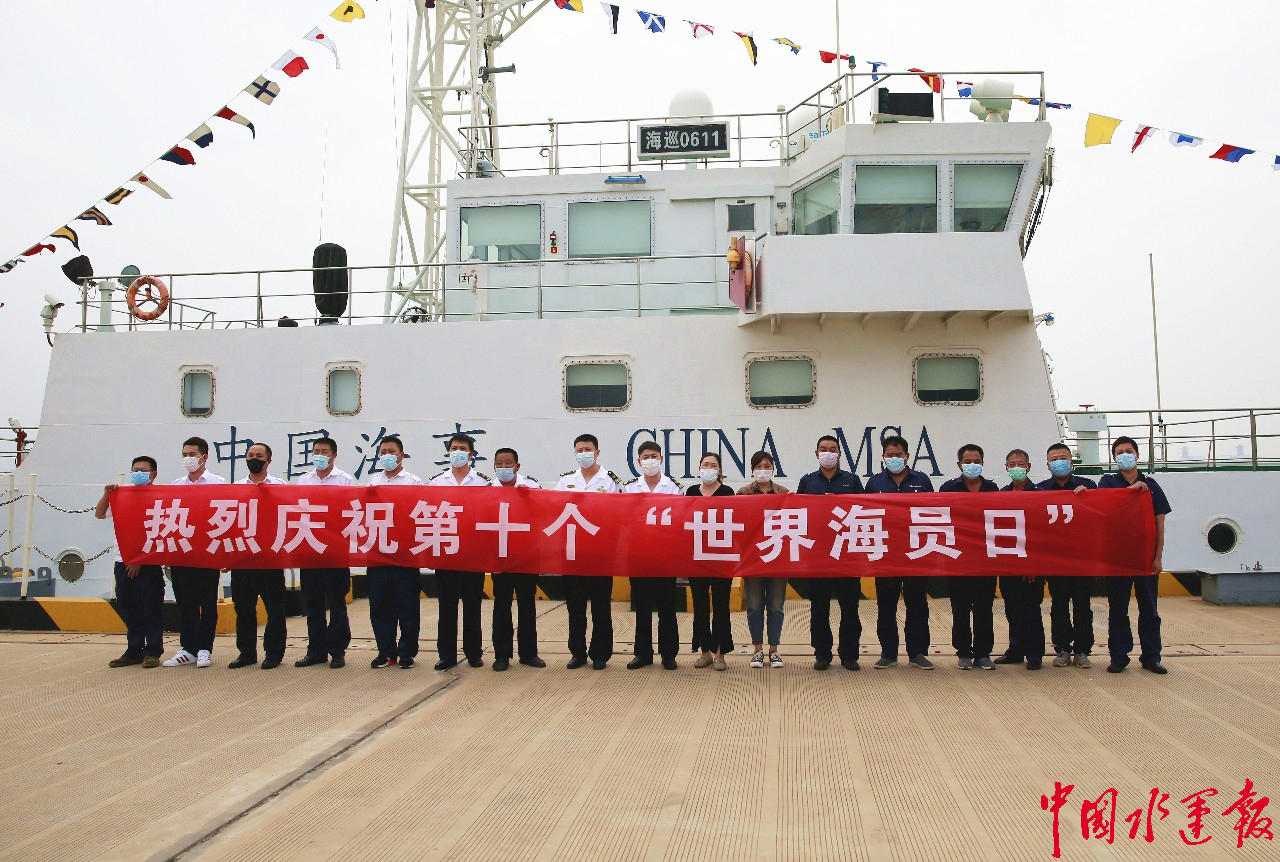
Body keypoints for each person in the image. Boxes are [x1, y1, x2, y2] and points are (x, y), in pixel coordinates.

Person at [1100, 436, 1171, 675]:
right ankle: (1119, 657)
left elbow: (1159, 523)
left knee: (1149, 609)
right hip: (1118, 558)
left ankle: (1152, 657)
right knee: (1118, 609)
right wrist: (1131, 491)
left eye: (1128, 451)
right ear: (1114, 458)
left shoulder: (1152, 485)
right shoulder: (1107, 483)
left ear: (1137, 455)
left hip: (1145, 557)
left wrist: (1157, 557)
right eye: (1119, 452)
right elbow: (1104, 506)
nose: (1125, 455)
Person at [795, 434, 865, 671]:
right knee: (819, 609)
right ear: (817, 454)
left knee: (850, 608)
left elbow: (864, 510)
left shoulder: (852, 481)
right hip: (818, 555)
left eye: (832, 449)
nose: (828, 453)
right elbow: (799, 514)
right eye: (823, 449)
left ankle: (850, 655)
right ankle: (822, 654)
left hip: (847, 554)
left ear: (839, 454)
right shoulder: (807, 481)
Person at [865, 435, 935, 670]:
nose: (894, 458)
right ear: (883, 457)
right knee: (886, 605)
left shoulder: (922, 480)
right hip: (885, 553)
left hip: (917, 552)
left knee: (917, 604)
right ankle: (888, 652)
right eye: (890, 455)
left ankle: (918, 652)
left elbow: (933, 512)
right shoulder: (874, 483)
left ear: (907, 456)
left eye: (898, 455)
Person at [554, 433, 619, 670]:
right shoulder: (566, 481)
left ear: (597, 452)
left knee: (601, 606)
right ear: (575, 453)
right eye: (579, 450)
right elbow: (552, 508)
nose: (584, 454)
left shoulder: (611, 481)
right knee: (575, 607)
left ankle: (600, 654)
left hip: (601, 553)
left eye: (588, 450)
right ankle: (578, 653)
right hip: (572, 553)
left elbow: (619, 514)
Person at [95, 456, 165, 669]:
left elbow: (157, 532)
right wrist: (107, 493)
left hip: (148, 562)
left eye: (143, 470)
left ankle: (152, 651)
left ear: (153, 474)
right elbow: (99, 514)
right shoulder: (122, 494)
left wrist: (138, 559)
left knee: (151, 608)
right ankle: (134, 650)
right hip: (122, 562)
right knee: (129, 607)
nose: (138, 473)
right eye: (135, 470)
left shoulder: (160, 497)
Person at [163, 437, 227, 669]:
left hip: (207, 553)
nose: (188, 459)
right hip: (182, 553)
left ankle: (204, 649)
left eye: (192, 454)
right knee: (185, 603)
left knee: (207, 603)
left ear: (204, 457)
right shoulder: (176, 485)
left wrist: (223, 553)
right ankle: (188, 648)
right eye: (185, 455)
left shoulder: (218, 483)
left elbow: (226, 519)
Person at [428, 433, 490, 671]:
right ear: (448, 452)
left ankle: (473, 653)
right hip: (446, 552)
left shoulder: (483, 482)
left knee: (472, 606)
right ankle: (446, 655)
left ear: (471, 454)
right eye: (454, 448)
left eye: (462, 448)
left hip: (472, 553)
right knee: (447, 607)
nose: (457, 452)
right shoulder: (437, 482)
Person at [294, 436, 354, 669]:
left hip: (335, 552)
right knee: (313, 605)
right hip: (309, 550)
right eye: (316, 451)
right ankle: (316, 651)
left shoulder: (344, 480)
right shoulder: (303, 480)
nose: (320, 455)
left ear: (334, 455)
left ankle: (337, 650)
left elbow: (351, 513)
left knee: (337, 604)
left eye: (324, 452)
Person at [622, 441, 683, 670]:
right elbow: (622, 520)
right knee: (642, 606)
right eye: (646, 457)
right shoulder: (629, 488)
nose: (650, 460)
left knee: (667, 606)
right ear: (639, 461)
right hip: (638, 555)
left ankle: (669, 654)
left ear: (661, 459)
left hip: (665, 556)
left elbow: (680, 520)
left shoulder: (674, 487)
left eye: (654, 456)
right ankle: (643, 653)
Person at [939, 444, 1000, 670]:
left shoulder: (993, 489)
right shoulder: (948, 488)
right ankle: (963, 652)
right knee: (960, 609)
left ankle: (983, 653)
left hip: (985, 559)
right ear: (959, 465)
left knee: (984, 608)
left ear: (982, 463)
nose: (972, 465)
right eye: (967, 462)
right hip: (958, 559)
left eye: (976, 461)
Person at [1036, 442, 1097, 668]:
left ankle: (1082, 650)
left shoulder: (1088, 486)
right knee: (1059, 605)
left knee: (1083, 606)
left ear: (1071, 462)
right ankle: (1062, 648)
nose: (1059, 462)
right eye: (1054, 459)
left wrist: (1088, 498)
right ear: (1048, 465)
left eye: (1063, 458)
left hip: (1082, 558)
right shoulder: (1040, 490)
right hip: (1055, 559)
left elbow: (1099, 515)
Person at [228, 442, 288, 670]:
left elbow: (287, 518)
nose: (254, 458)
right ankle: (246, 653)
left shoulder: (279, 486)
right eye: (250, 455)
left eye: (259, 456)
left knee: (275, 610)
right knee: (243, 609)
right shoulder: (236, 487)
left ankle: (273, 654)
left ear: (268, 461)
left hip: (271, 558)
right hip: (243, 558)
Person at [367, 436, 423, 670]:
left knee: (407, 606)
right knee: (380, 605)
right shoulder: (373, 482)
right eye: (383, 452)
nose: (387, 455)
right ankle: (386, 652)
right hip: (378, 553)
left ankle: (407, 652)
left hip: (404, 554)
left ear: (401, 454)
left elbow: (419, 515)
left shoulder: (413, 482)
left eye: (391, 451)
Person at [489, 447, 545, 671]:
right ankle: (501, 655)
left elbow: (543, 515)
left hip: (526, 556)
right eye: (499, 463)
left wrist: (529, 498)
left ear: (517, 466)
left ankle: (529, 653)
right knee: (501, 606)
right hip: (500, 557)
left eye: (508, 463)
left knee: (527, 605)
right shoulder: (487, 490)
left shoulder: (531, 487)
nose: (503, 467)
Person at [995, 448, 1045, 671]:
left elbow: (1041, 532)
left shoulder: (1039, 494)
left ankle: (1034, 654)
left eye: (1021, 464)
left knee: (1031, 610)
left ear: (1029, 467)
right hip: (1009, 562)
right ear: (1006, 468)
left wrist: (1032, 562)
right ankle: (1016, 650)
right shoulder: (1001, 495)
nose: (1017, 468)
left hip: (1031, 565)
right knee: (1012, 609)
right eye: (1012, 464)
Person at [738, 450, 789, 669]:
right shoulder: (743, 493)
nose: (763, 470)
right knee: (755, 606)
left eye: (767, 467)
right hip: (753, 559)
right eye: (759, 467)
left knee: (776, 606)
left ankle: (774, 650)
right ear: (752, 470)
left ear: (773, 469)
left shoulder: (783, 493)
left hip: (778, 558)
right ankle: (758, 650)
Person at [686, 452, 735, 672]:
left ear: (719, 470)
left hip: (721, 557)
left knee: (721, 606)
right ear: (699, 468)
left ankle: (720, 653)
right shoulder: (690, 492)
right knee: (700, 606)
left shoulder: (727, 492)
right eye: (705, 464)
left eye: (713, 465)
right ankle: (704, 651)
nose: (709, 468)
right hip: (697, 558)